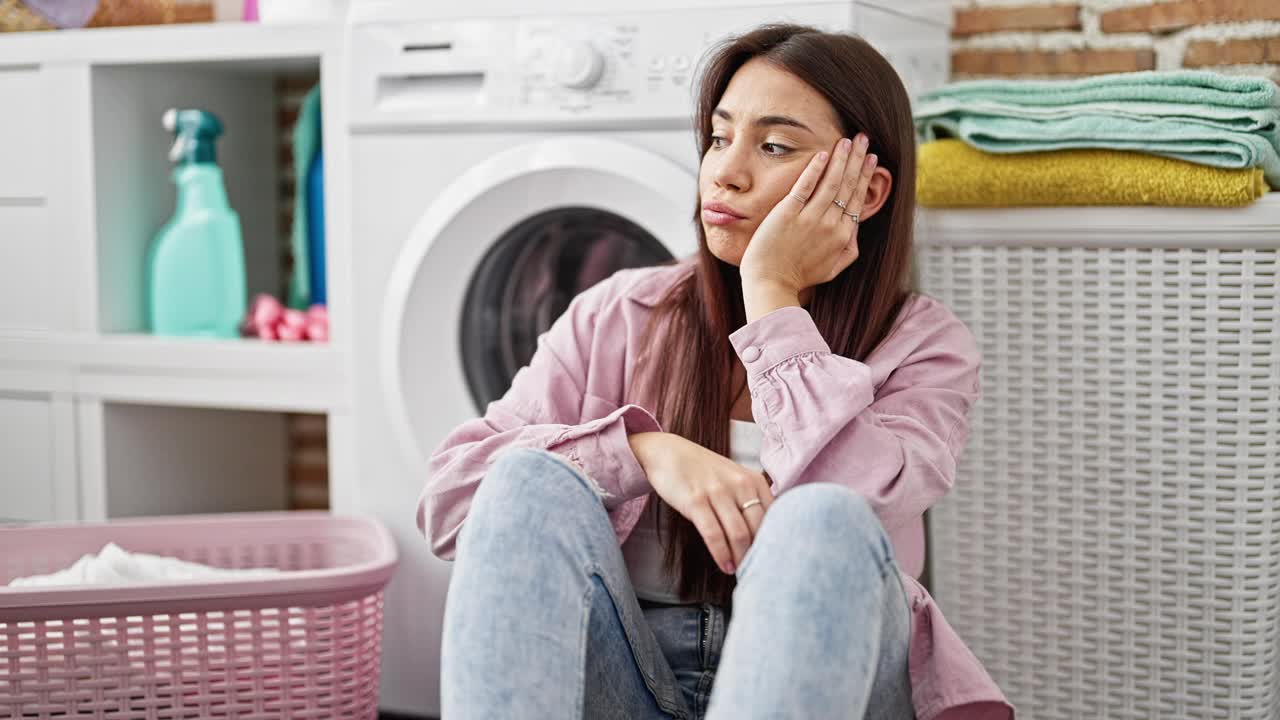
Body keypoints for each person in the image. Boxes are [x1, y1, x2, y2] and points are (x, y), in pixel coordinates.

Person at [418, 23, 1014, 720]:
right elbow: (452, 500)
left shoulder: (924, 347)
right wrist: (641, 451)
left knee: (822, 516)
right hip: (629, 677)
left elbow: (845, 516)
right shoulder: (618, 314)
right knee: (522, 476)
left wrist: (772, 294)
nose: (725, 171)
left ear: (869, 191)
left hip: (834, 677)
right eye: (720, 137)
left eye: (774, 145)